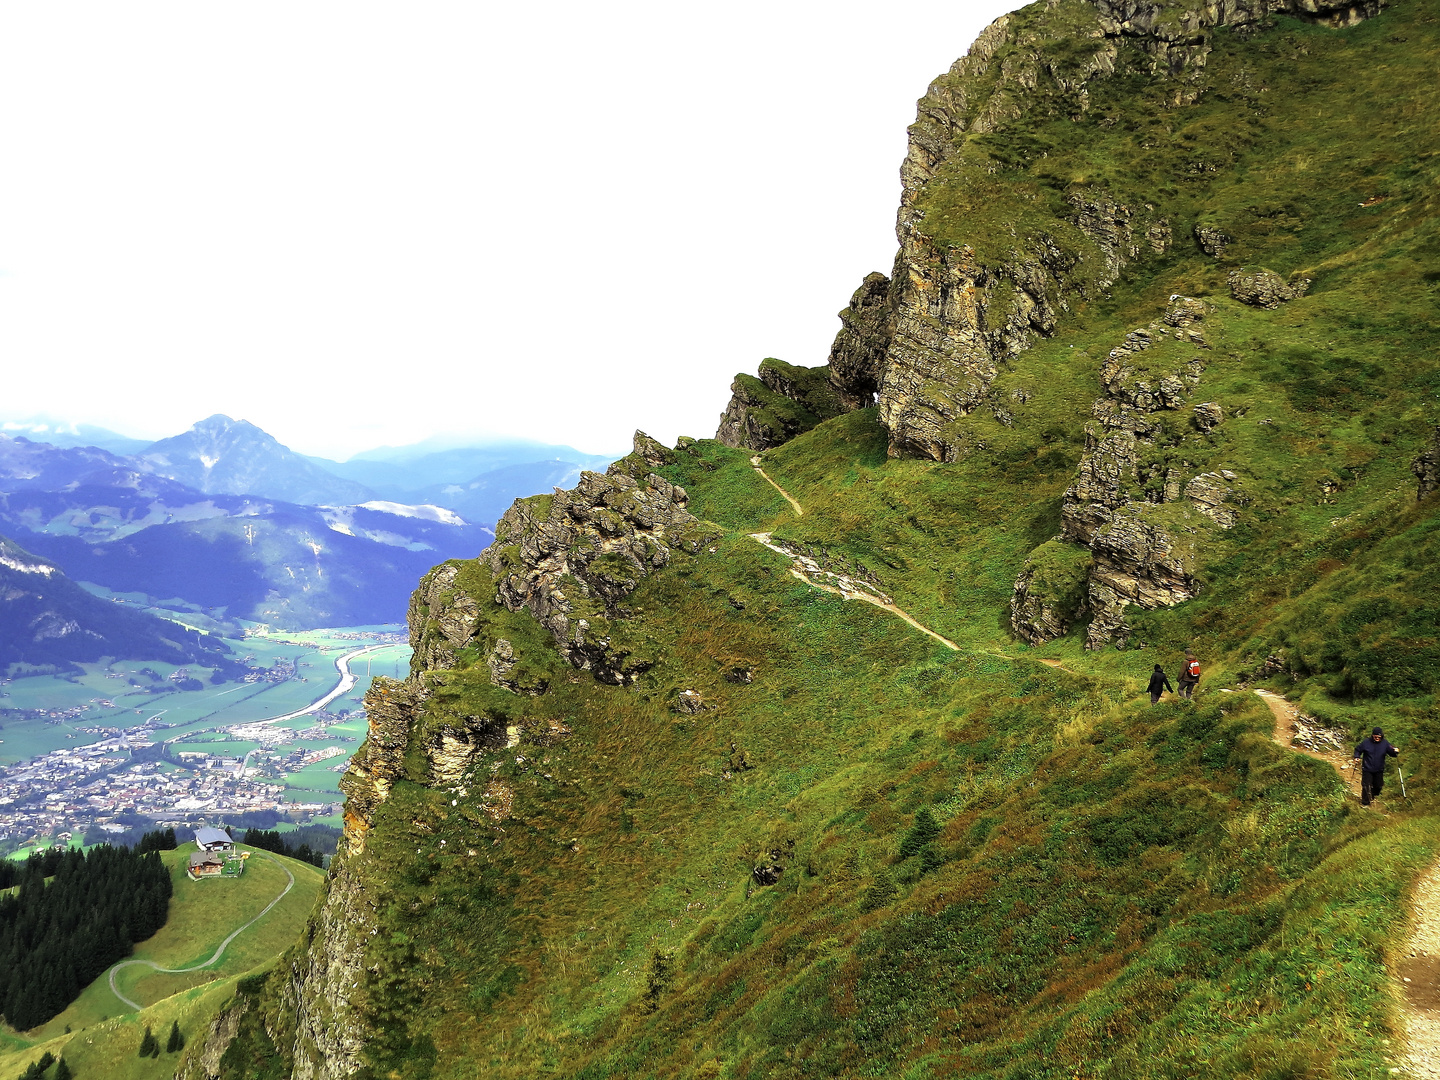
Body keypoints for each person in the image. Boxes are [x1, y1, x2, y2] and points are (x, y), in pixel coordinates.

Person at [1353, 727, 1400, 807]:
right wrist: (1357, 757)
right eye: (1375, 737)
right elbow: (1358, 749)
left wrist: (1395, 751)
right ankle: (1365, 803)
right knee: (1366, 785)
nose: (1377, 738)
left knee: (1378, 786)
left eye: (1379, 737)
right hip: (1367, 768)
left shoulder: (1385, 743)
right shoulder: (1366, 742)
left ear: (1381, 736)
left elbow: (1391, 752)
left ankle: (1372, 796)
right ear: (1372, 736)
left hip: (1379, 769)